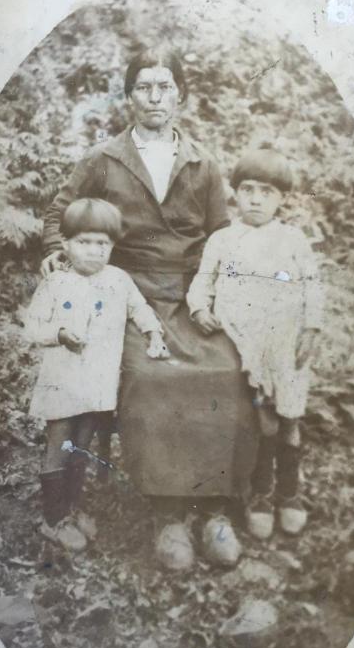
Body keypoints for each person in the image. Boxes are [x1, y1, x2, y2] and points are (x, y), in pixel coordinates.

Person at [41, 48, 259, 567]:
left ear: (180, 94)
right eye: (144, 87)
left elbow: (222, 237)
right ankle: (169, 515)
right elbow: (58, 214)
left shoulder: (202, 164)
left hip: (192, 294)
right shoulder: (105, 158)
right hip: (126, 293)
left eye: (165, 86)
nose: (155, 97)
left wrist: (224, 293)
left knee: (227, 370)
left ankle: (216, 509)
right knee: (151, 376)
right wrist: (57, 252)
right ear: (129, 96)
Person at [186, 148, 324, 540]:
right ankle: (261, 494)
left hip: (285, 344)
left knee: (289, 419)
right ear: (235, 192)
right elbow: (203, 281)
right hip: (242, 346)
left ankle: (290, 493)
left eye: (267, 192)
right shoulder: (223, 240)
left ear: (282, 198)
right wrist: (199, 308)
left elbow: (313, 286)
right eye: (248, 189)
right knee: (262, 422)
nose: (256, 199)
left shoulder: (292, 239)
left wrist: (312, 329)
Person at [26, 198, 169, 552]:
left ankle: (72, 508)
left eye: (102, 243)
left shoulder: (118, 280)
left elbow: (139, 308)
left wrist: (153, 332)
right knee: (59, 445)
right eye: (84, 242)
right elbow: (32, 328)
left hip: (97, 383)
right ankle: (53, 519)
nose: (93, 251)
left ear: (113, 245)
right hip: (62, 383)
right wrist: (59, 334)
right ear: (65, 243)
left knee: (81, 447)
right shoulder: (56, 283)